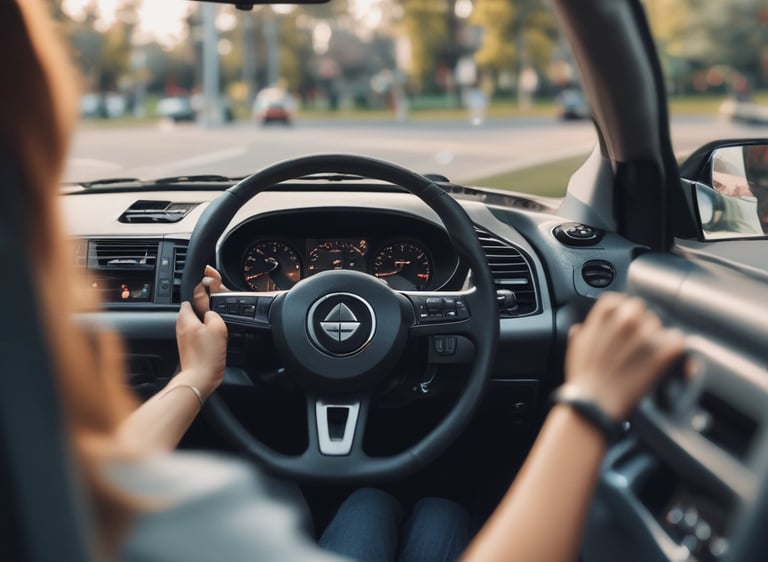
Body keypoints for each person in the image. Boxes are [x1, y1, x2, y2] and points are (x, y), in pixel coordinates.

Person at [2, 1, 685, 561]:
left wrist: (193, 378)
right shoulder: (200, 520)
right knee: (427, 509)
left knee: (371, 505)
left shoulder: (59, 501)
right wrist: (590, 404)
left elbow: (105, 478)